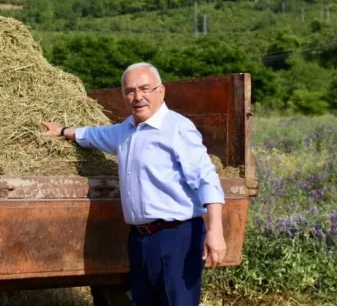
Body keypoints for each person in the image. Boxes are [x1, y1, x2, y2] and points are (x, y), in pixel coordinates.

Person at [42, 62, 226, 306]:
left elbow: (206, 179)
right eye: (130, 91)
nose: (137, 97)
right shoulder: (125, 130)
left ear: (161, 91)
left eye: (145, 88)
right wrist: (63, 131)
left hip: (176, 236)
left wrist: (215, 231)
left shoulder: (177, 128)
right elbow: (93, 135)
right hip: (140, 240)